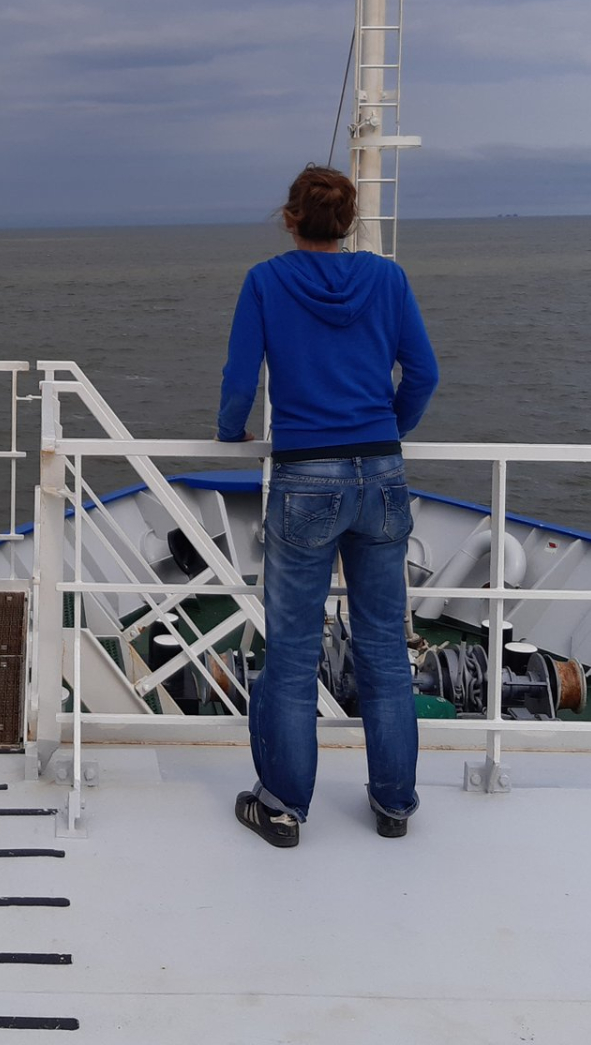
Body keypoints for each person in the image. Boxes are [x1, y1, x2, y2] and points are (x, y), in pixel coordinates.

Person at [217, 164, 439, 847]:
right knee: (381, 647)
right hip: (381, 475)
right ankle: (395, 804)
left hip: (305, 476)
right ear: (347, 223)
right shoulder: (388, 279)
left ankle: (282, 806)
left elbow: (238, 380)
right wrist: (386, 431)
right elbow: (423, 373)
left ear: (291, 218)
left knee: (290, 652)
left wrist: (233, 433)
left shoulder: (266, 280)